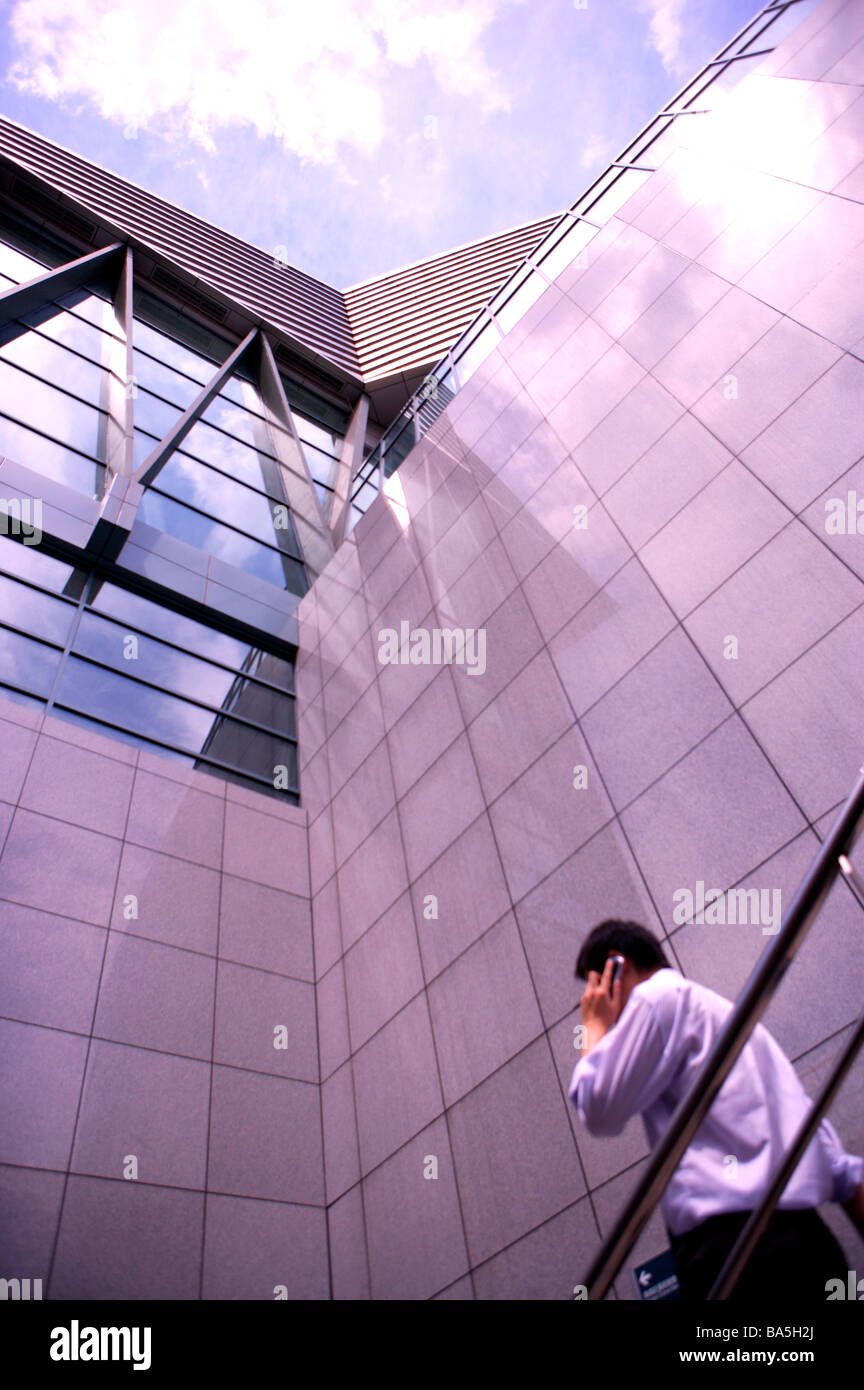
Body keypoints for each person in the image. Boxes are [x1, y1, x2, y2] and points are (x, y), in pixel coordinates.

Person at [569, 919, 864, 1301]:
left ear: (615, 968)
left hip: (734, 1256)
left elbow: (598, 1108)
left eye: (596, 988)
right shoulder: (744, 1032)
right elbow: (841, 1171)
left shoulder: (657, 998)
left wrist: (594, 1030)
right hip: (810, 1246)